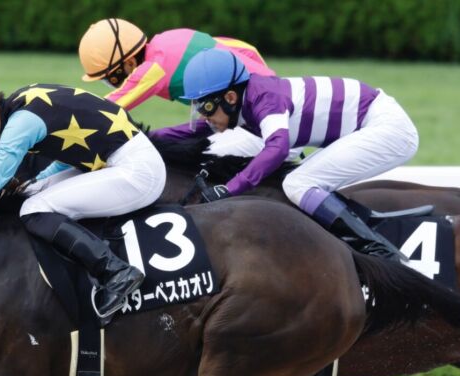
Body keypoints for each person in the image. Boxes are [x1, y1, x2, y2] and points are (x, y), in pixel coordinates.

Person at [0, 74, 166, 316]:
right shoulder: (21, 101)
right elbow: (71, 146)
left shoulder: (20, 126)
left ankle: (115, 273)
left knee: (33, 210)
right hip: (117, 158)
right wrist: (39, 181)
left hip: (137, 172)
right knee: (32, 193)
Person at [154, 48, 420, 259]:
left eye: (206, 107)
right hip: (371, 122)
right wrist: (145, 137)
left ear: (230, 98)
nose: (203, 115)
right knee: (298, 181)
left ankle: (381, 254)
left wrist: (229, 188)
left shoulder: (264, 99)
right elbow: (193, 131)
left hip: (387, 128)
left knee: (298, 183)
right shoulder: (243, 101)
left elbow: (278, 147)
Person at [77, 18, 274, 156]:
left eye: (110, 79)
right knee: (157, 138)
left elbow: (104, 109)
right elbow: (247, 49)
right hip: (268, 96)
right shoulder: (170, 38)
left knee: (183, 153)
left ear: (129, 63)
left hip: (255, 118)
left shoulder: (153, 68)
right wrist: (269, 79)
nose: (113, 84)